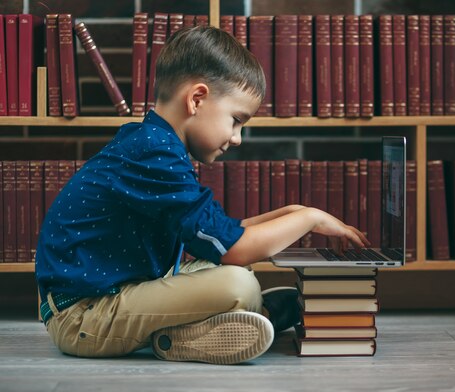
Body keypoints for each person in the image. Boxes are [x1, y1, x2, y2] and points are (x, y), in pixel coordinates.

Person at [35, 26, 369, 365]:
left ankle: (243, 316)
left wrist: (292, 212)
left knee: (220, 268)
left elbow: (219, 235)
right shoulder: (155, 152)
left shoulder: (151, 141)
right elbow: (233, 249)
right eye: (237, 120)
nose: (237, 138)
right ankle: (197, 331)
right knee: (239, 283)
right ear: (197, 99)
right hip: (82, 316)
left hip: (106, 297)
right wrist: (310, 217)